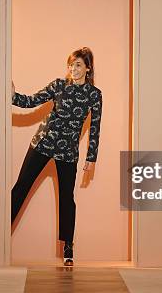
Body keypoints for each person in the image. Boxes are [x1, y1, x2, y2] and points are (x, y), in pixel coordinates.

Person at [11, 47, 102, 266]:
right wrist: (13, 96)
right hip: (42, 144)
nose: (73, 68)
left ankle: (68, 246)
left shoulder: (94, 95)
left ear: (88, 68)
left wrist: (91, 158)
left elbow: (95, 129)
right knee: (21, 187)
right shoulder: (59, 85)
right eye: (71, 64)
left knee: (66, 199)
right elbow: (32, 101)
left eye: (78, 64)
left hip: (68, 152)